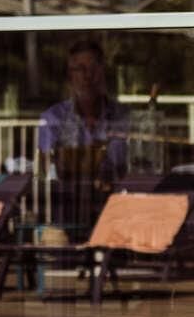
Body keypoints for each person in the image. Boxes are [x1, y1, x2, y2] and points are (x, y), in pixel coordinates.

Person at [37, 38, 131, 236]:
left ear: (102, 72)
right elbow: (47, 167)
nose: (87, 76)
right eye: (79, 69)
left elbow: (130, 163)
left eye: (93, 67)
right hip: (67, 208)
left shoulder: (122, 117)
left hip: (115, 207)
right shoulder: (53, 118)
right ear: (69, 76)